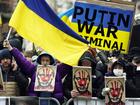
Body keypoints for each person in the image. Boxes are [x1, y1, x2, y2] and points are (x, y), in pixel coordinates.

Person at [3, 40, 72, 105]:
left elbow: (69, 62)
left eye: (47, 60)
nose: (45, 63)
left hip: (54, 102)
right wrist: (11, 48)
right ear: (40, 61)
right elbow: (22, 61)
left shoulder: (58, 71)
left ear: (51, 61)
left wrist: (78, 52)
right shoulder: (34, 70)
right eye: (43, 60)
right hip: (36, 102)